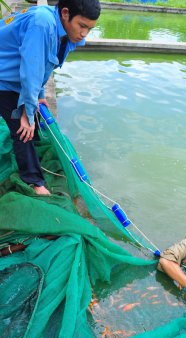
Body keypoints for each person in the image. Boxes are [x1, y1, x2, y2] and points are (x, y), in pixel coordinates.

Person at [0, 0, 100, 195]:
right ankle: (35, 182)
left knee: (31, 117)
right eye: (82, 26)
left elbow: (45, 64)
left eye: (90, 29)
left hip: (15, 77)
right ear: (65, 13)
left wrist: (40, 95)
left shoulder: (64, 31)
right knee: (22, 128)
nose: (84, 34)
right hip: (4, 79)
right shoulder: (42, 23)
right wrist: (27, 114)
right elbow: (31, 70)